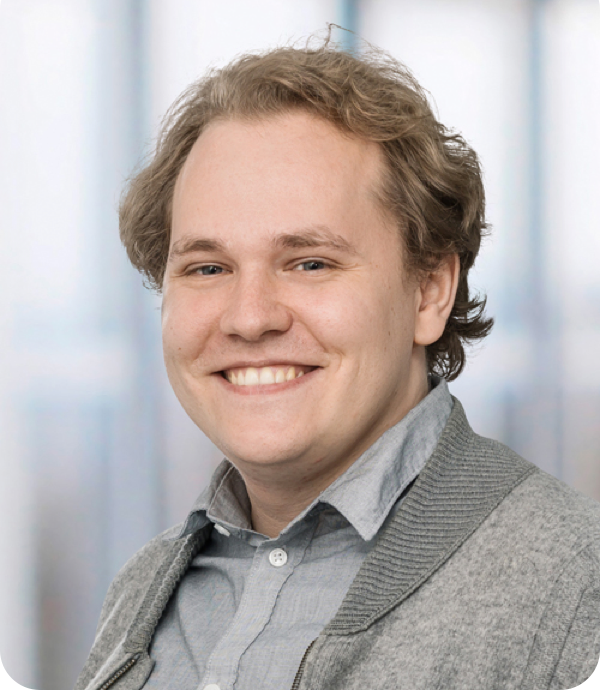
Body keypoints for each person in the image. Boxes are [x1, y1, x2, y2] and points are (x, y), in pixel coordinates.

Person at [74, 37, 600, 690]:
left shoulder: (575, 586)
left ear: (429, 292)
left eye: (310, 263)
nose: (249, 317)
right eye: (208, 268)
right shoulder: (142, 596)